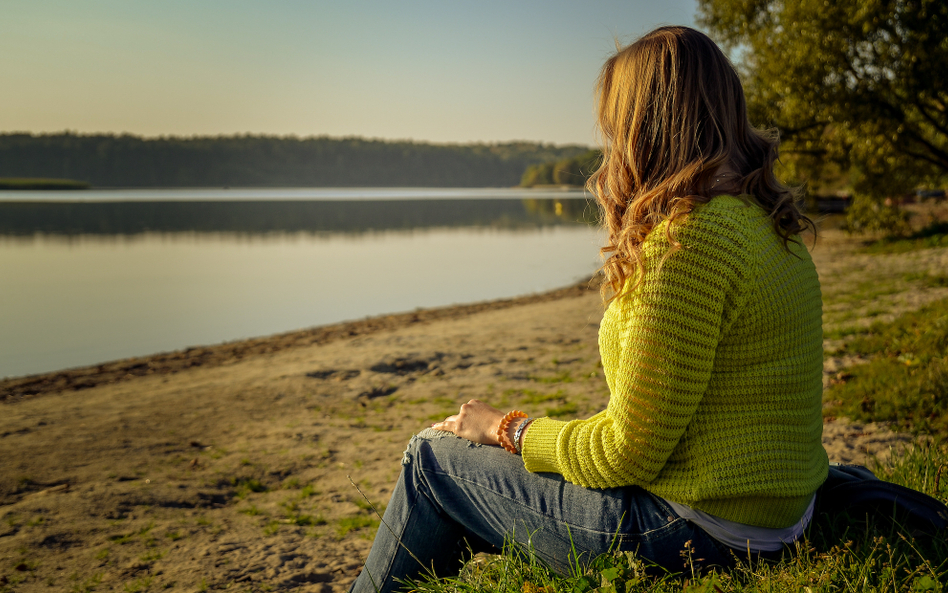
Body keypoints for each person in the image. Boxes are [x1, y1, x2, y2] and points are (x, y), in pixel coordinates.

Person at [349, 25, 828, 593]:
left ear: (641, 127)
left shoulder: (690, 244)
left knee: (433, 461)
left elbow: (625, 453)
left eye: (614, 126)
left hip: (698, 529)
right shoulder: (771, 226)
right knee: (473, 484)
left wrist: (507, 429)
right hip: (782, 515)